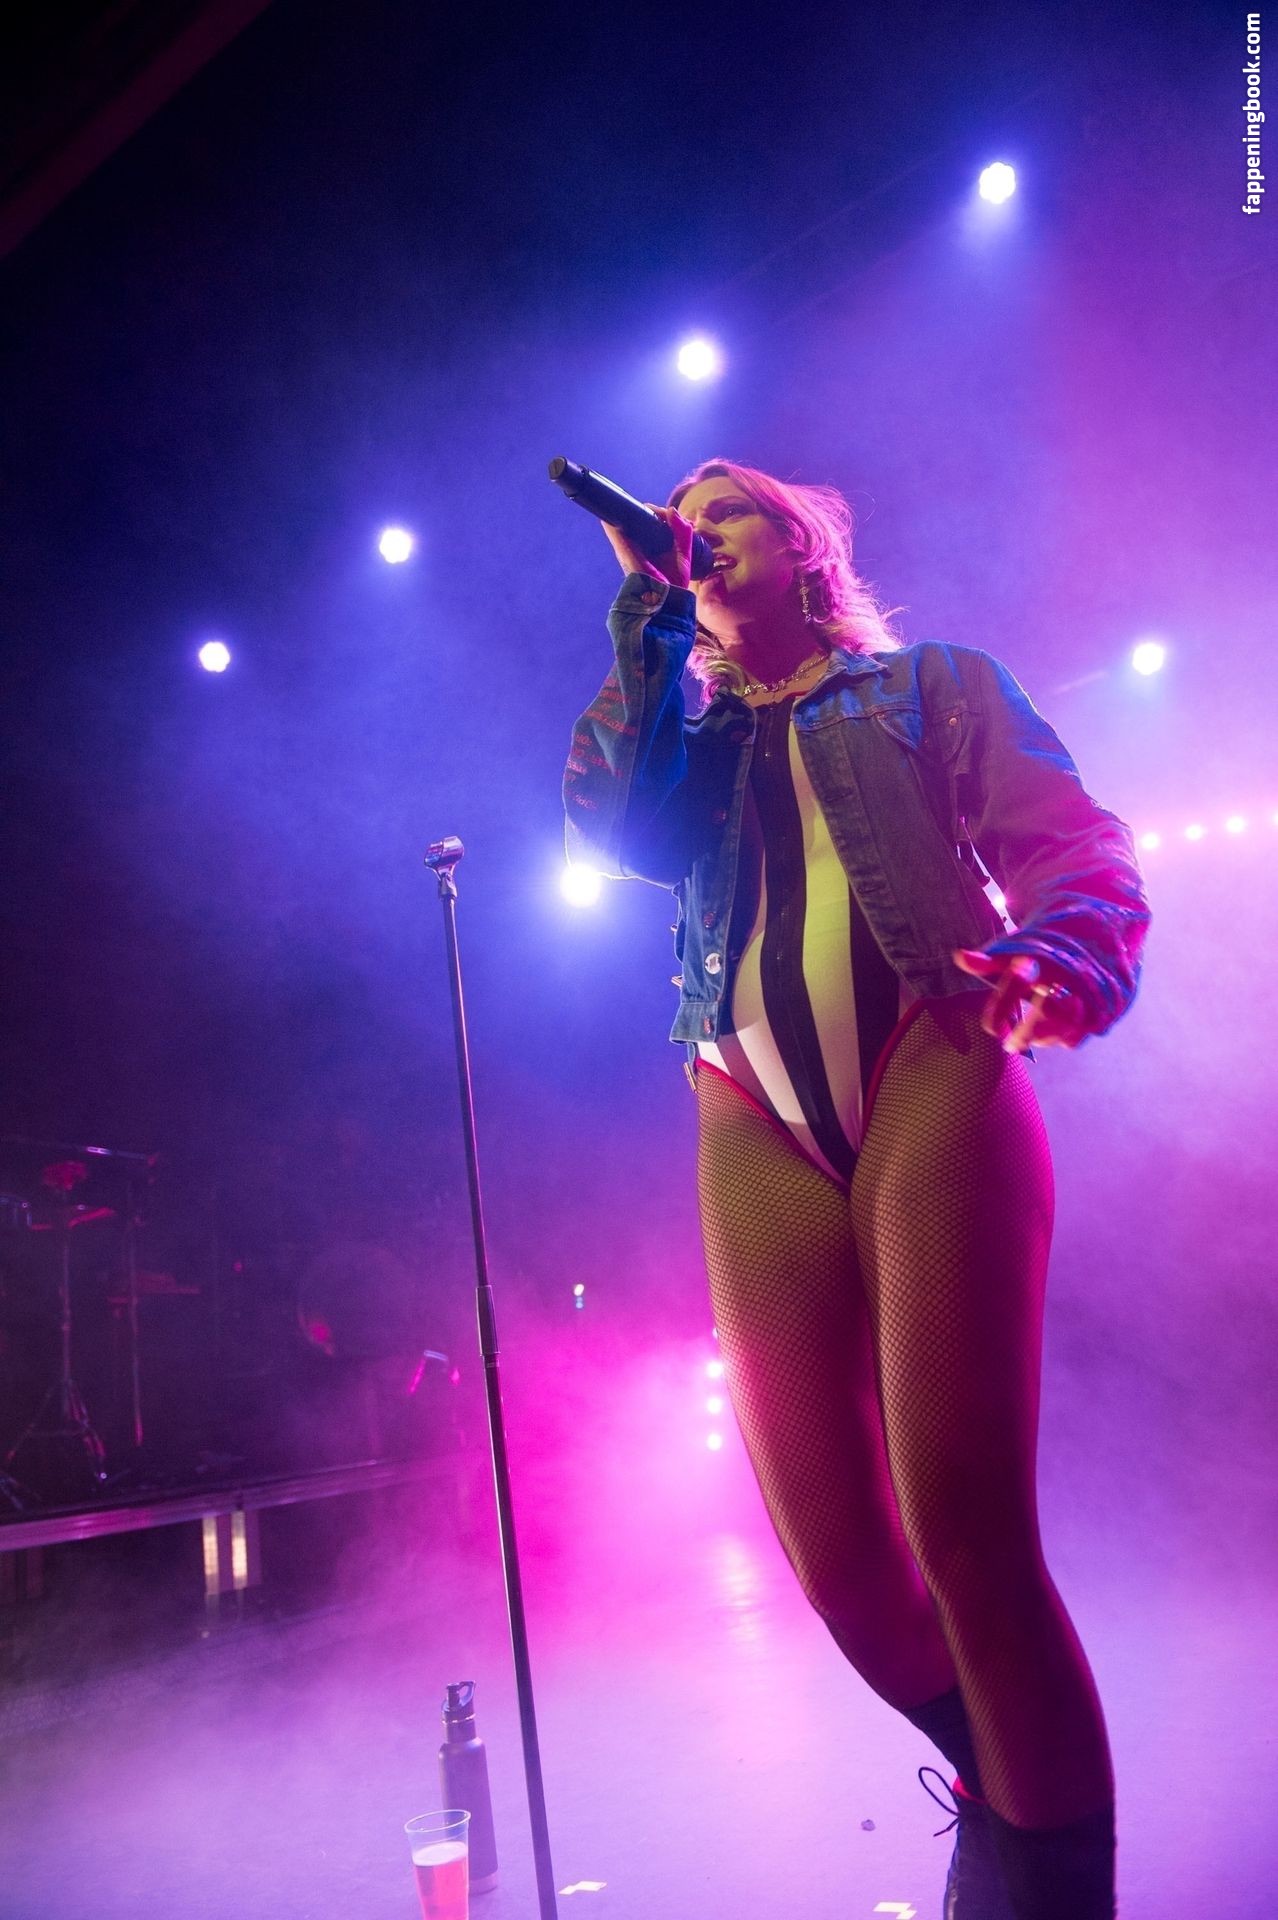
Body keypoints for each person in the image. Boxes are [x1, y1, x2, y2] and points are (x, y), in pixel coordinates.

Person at [562, 459, 1150, 1920]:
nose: (700, 530)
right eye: (683, 519)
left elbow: (1076, 844)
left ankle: (1049, 1890)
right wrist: (646, 615)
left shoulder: (931, 686)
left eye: (728, 509)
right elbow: (614, 827)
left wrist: (1067, 951)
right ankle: (1003, 1799)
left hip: (929, 1059)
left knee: (968, 1536)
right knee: (841, 1571)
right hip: (744, 1102)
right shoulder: (690, 737)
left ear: (806, 542)